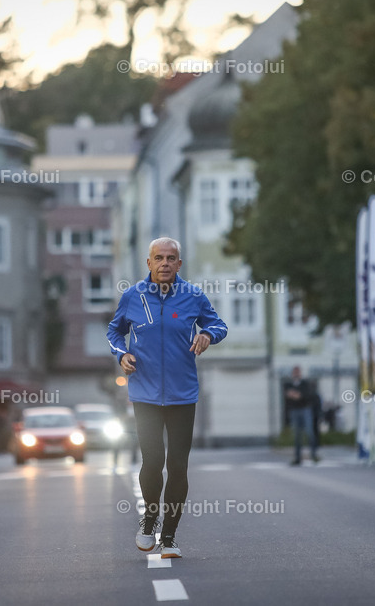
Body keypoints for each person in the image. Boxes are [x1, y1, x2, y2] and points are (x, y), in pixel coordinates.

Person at [107, 237, 227, 559]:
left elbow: (219, 324)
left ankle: (170, 536)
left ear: (179, 263)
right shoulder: (133, 296)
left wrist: (206, 334)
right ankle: (149, 521)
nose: (164, 264)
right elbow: (114, 331)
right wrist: (122, 354)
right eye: (158, 258)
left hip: (182, 393)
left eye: (171, 258)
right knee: (152, 461)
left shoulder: (193, 296)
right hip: (144, 393)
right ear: (148, 263)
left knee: (177, 466)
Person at [285, 367, 319, 465]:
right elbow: (289, 396)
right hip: (294, 411)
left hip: (305, 410)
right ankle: (297, 458)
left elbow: (305, 396)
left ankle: (314, 455)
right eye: (294, 372)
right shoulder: (289, 384)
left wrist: (296, 395)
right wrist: (296, 395)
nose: (296, 374)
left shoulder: (305, 384)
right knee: (297, 435)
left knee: (309, 432)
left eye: (297, 372)